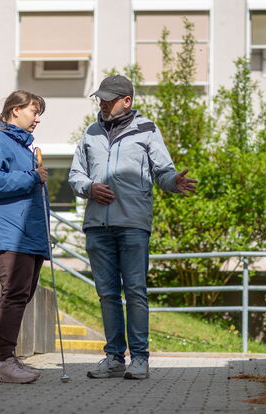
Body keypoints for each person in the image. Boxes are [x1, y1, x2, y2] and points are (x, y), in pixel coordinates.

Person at [69, 75, 197, 380]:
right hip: (97, 225)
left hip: (133, 224)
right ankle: (114, 357)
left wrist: (173, 182)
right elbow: (75, 174)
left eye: (109, 99)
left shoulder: (148, 130)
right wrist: (89, 188)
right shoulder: (90, 132)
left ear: (127, 101)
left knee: (136, 291)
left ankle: (140, 358)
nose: (102, 103)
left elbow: (163, 172)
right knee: (107, 294)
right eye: (100, 98)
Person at [0, 90, 50, 384]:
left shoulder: (23, 148)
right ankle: (4, 361)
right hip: (9, 233)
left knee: (23, 294)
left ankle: (9, 358)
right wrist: (33, 177)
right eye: (34, 111)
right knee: (14, 293)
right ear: (15, 110)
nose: (38, 119)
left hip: (28, 234)